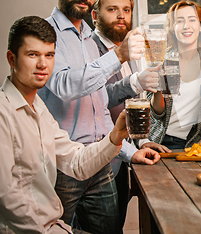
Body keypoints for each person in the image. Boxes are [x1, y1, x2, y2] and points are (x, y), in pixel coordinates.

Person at [38, 0, 159, 234]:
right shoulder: (46, 33)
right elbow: (65, 86)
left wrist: (130, 152)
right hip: (63, 166)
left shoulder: (88, 39)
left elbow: (100, 105)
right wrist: (119, 54)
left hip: (101, 163)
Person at [0, 16, 148, 233]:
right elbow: (6, 197)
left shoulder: (39, 109)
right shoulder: (4, 112)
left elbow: (78, 163)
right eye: (33, 55)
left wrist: (116, 135)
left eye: (49, 55)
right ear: (11, 59)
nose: (43, 64)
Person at [91, 0, 169, 231]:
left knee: (117, 226)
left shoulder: (131, 50)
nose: (121, 15)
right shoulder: (90, 50)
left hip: (121, 157)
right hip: (98, 162)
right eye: (112, 9)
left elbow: (133, 103)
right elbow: (96, 106)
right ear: (95, 15)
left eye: (125, 9)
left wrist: (142, 141)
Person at [140, 0, 201, 149]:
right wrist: (158, 87)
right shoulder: (160, 60)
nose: (186, 25)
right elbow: (157, 113)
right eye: (180, 21)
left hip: (192, 144)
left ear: (200, 26)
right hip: (157, 142)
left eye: (192, 20)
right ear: (172, 28)